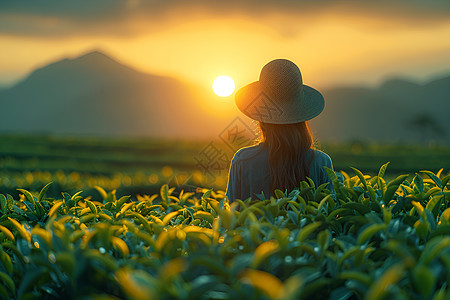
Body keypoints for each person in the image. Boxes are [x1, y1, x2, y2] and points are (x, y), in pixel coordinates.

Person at [225, 59, 334, 202]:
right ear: (301, 114)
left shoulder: (243, 160)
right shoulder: (321, 163)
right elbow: (329, 215)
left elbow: (232, 216)